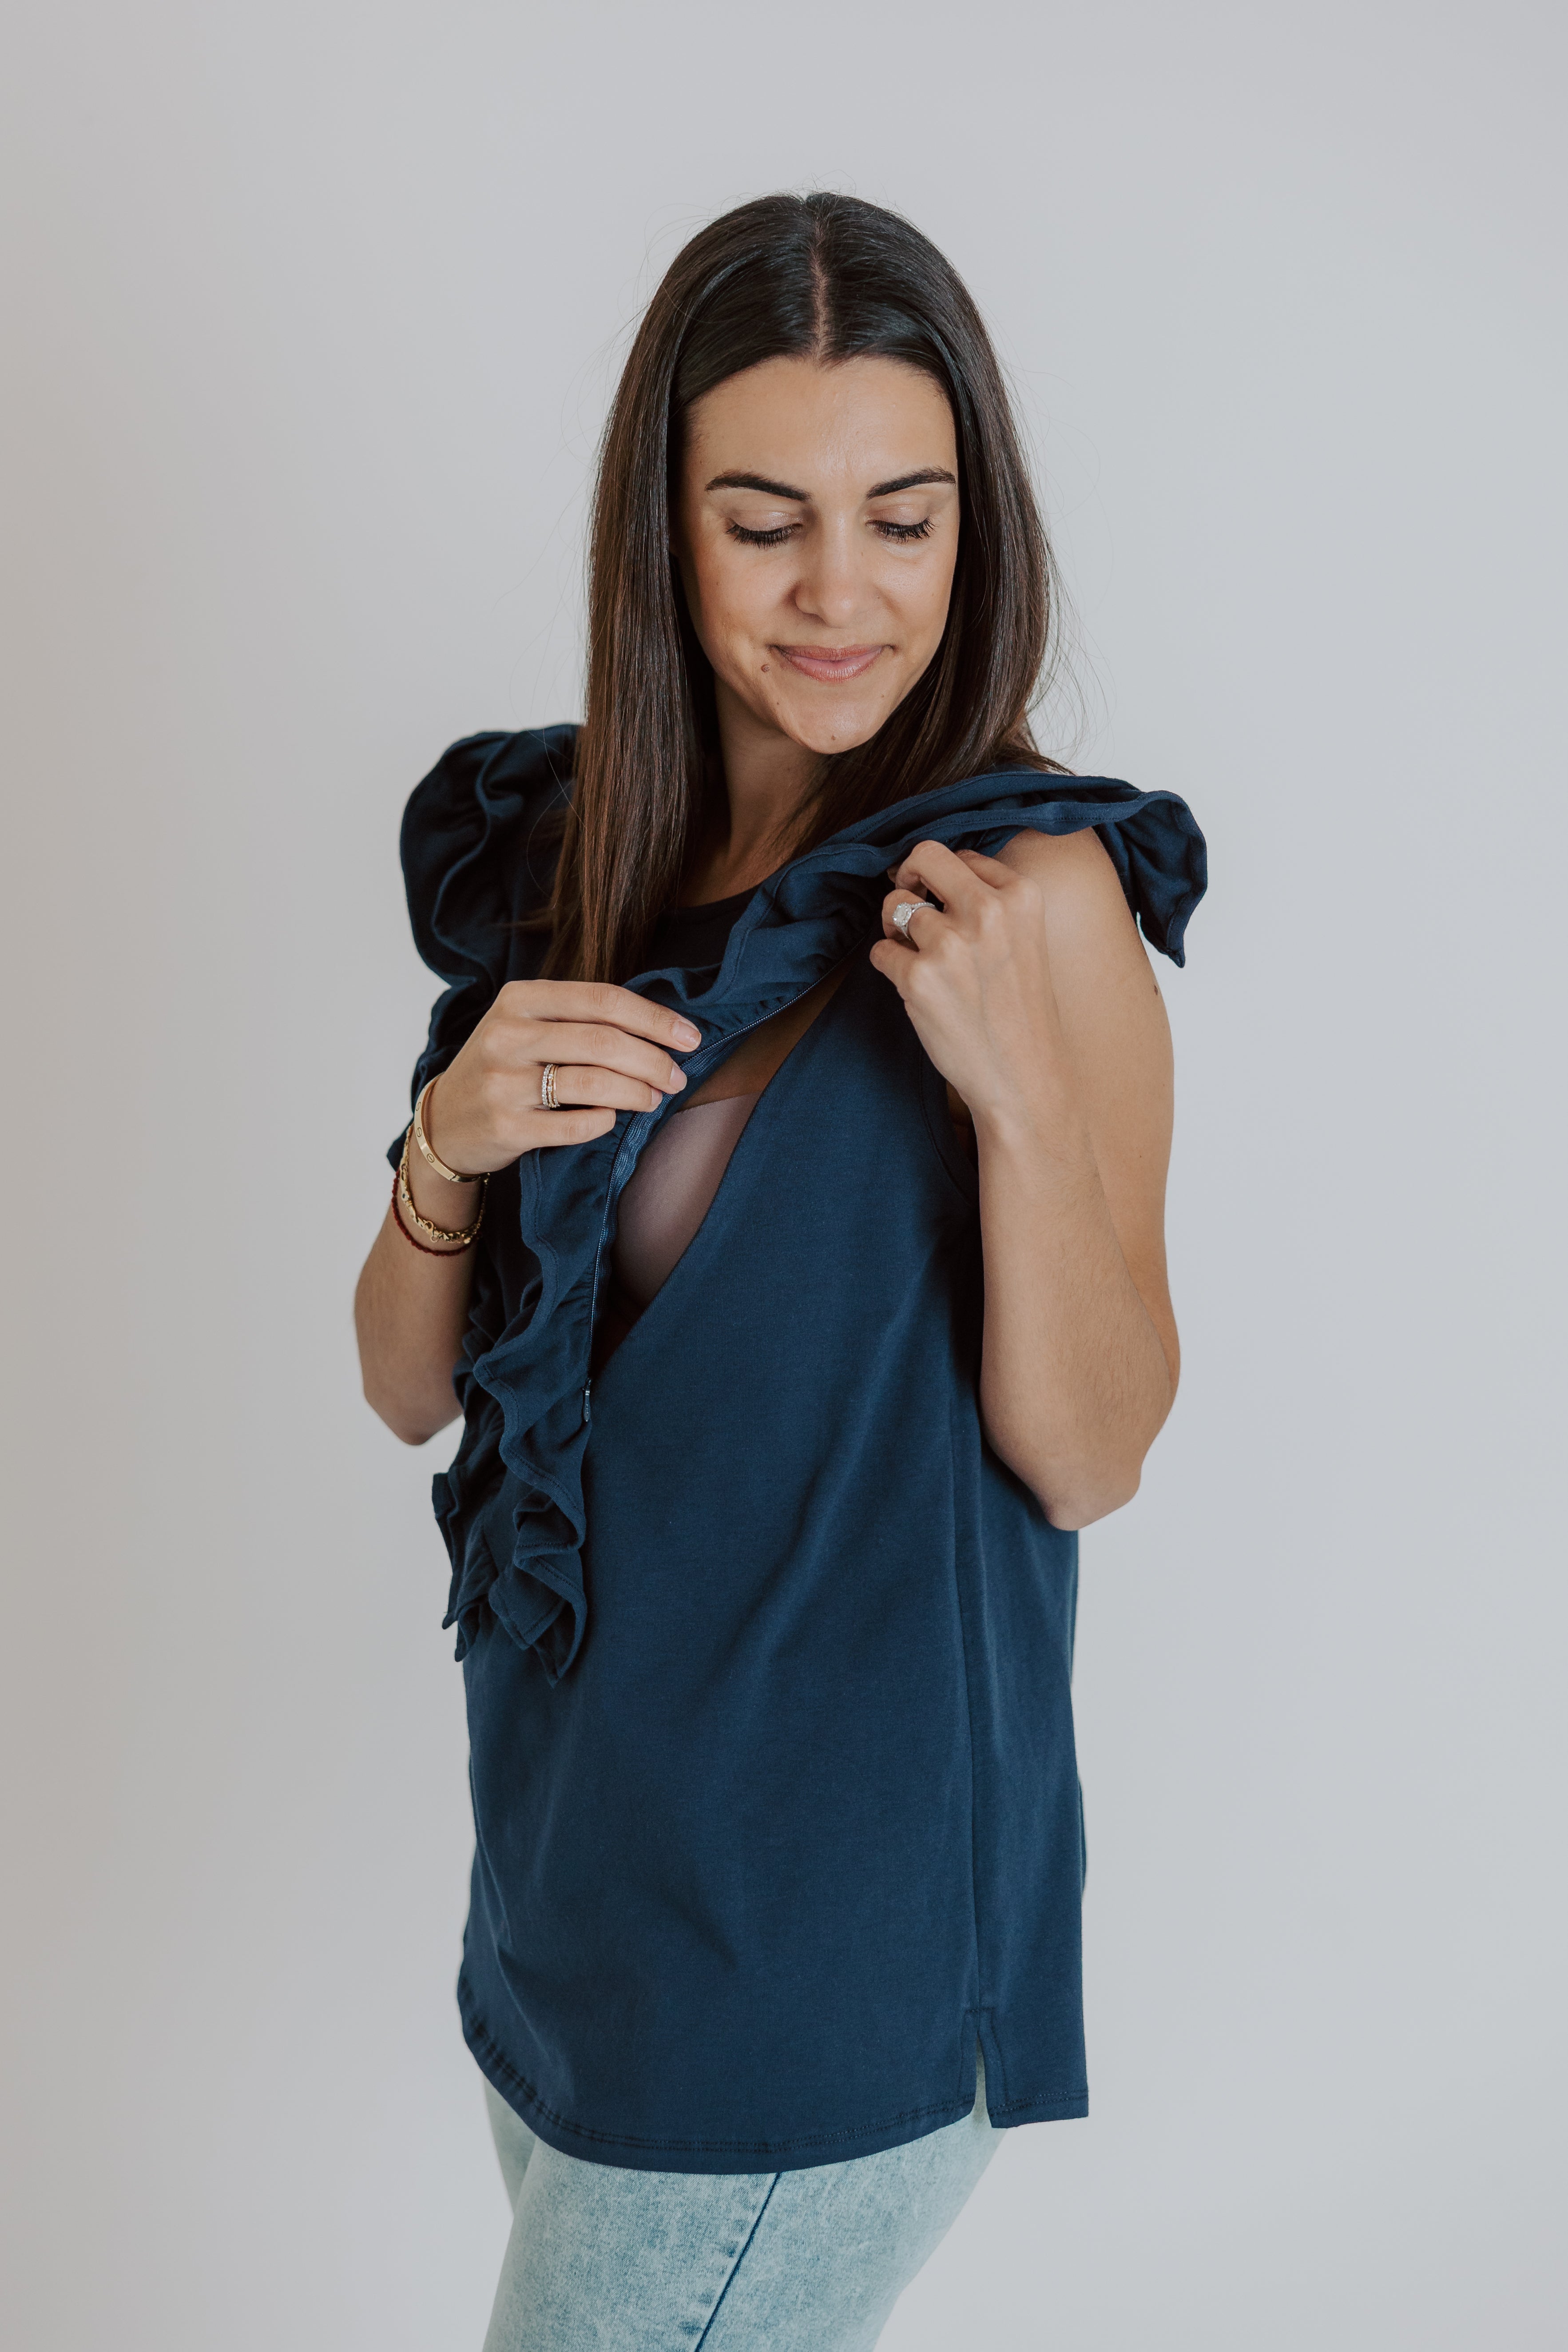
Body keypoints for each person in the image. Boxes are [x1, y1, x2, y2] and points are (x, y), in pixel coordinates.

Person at [354, 190, 1205, 2352]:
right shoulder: (586, 857)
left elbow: (1094, 1452)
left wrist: (1016, 1097)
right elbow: (406, 1384)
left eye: (904, 519)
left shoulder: (1029, 892)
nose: (843, 592)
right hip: (571, 1911)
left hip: (820, 1969)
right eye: (764, 523)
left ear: (973, 529)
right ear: (664, 531)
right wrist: (446, 1142)